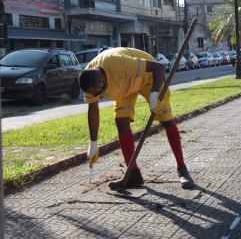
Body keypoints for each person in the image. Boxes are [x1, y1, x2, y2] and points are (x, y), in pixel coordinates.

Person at [78, 47, 193, 189]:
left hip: (149, 77)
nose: (98, 96)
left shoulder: (117, 62)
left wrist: (154, 96)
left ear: (102, 80)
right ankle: (133, 174)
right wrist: (93, 143)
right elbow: (93, 110)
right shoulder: (89, 80)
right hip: (125, 86)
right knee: (121, 122)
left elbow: (158, 68)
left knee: (166, 120)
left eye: (99, 92)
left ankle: (182, 169)